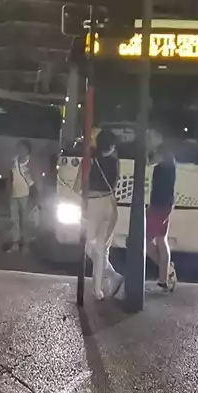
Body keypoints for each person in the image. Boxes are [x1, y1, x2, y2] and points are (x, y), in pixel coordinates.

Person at [83, 129, 123, 302]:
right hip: (108, 203)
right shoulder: (115, 162)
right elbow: (114, 183)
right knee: (101, 248)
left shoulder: (90, 160)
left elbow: (84, 183)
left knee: (88, 245)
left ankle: (102, 284)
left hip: (92, 203)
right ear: (112, 146)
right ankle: (103, 283)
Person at [148, 139, 178, 292]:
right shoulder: (170, 165)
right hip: (164, 206)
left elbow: (147, 162)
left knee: (146, 242)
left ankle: (166, 271)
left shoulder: (164, 167)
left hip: (158, 207)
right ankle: (164, 276)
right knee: (161, 239)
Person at [7, 140, 34, 253]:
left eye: (23, 148)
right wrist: (8, 191)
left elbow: (37, 179)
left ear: (27, 150)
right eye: (19, 148)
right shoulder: (13, 161)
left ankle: (26, 244)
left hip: (26, 195)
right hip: (14, 195)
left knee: (25, 220)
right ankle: (15, 243)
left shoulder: (31, 163)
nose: (21, 150)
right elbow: (9, 177)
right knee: (14, 220)